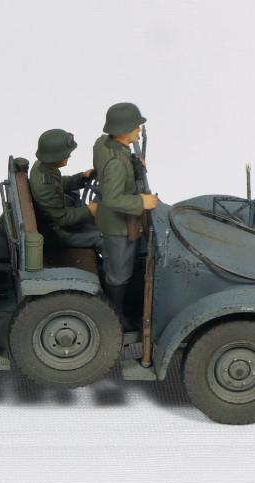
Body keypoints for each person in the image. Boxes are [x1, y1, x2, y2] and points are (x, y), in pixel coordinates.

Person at [92, 103, 160, 327]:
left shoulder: (103, 143)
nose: (139, 130)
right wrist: (142, 201)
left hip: (115, 221)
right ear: (122, 131)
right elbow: (112, 199)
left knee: (122, 267)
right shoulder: (116, 163)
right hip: (118, 227)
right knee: (119, 274)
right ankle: (114, 316)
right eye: (135, 127)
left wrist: (133, 162)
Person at [29, 128, 101, 249]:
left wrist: (81, 178)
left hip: (53, 214)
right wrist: (89, 210)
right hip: (56, 232)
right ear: (54, 156)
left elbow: (58, 183)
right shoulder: (44, 183)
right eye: (65, 154)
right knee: (103, 238)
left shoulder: (45, 166)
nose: (69, 155)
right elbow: (62, 219)